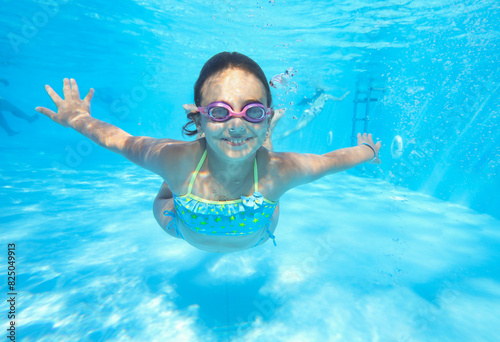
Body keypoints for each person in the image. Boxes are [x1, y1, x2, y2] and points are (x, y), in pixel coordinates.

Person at [36, 52, 381, 253]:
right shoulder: (176, 161)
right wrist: (78, 117)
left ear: (263, 116)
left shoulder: (279, 172)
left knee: (267, 169)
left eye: (253, 112)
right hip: (182, 228)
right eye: (219, 112)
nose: (236, 124)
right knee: (171, 180)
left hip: (259, 235)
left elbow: (329, 162)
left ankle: (260, 136)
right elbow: (120, 140)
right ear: (198, 118)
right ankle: (222, 144)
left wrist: (367, 150)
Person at [280, 89, 350, 139]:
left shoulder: (315, 95)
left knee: (296, 128)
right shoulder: (326, 96)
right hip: (312, 113)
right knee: (297, 129)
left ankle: (281, 137)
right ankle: (281, 137)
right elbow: (339, 99)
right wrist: (346, 94)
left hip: (307, 111)